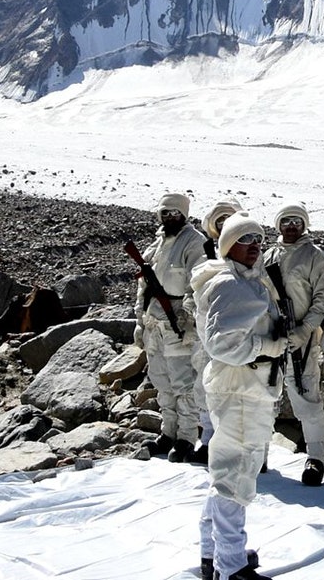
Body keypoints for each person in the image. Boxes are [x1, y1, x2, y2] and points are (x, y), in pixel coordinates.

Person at [193, 212, 287, 580]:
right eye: (245, 241)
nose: (254, 248)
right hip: (240, 387)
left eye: (258, 240)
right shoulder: (230, 285)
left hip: (245, 386)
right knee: (235, 475)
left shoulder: (246, 281)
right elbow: (222, 344)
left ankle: (213, 551)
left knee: (228, 473)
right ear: (228, 246)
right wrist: (267, 346)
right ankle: (230, 565)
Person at [139, 192, 209, 460]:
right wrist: (139, 320)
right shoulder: (157, 245)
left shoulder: (194, 243)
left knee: (183, 383)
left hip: (177, 321)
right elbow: (143, 287)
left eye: (175, 213)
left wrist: (188, 316)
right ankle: (167, 432)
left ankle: (187, 438)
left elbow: (197, 282)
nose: (170, 217)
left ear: (185, 214)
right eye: (165, 213)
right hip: (154, 321)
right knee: (161, 381)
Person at [267, 203, 324, 485]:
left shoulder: (314, 255)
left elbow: (322, 296)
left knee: (306, 397)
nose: (291, 226)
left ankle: (316, 458)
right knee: (265, 397)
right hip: (271, 337)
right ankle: (259, 453)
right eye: (286, 221)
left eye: (297, 221)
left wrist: (306, 329)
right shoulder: (268, 253)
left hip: (302, 340)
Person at [191, 198, 242, 460]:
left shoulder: (247, 250)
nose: (224, 226)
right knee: (206, 385)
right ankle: (208, 440)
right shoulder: (205, 251)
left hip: (235, 331)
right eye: (220, 221)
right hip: (206, 327)